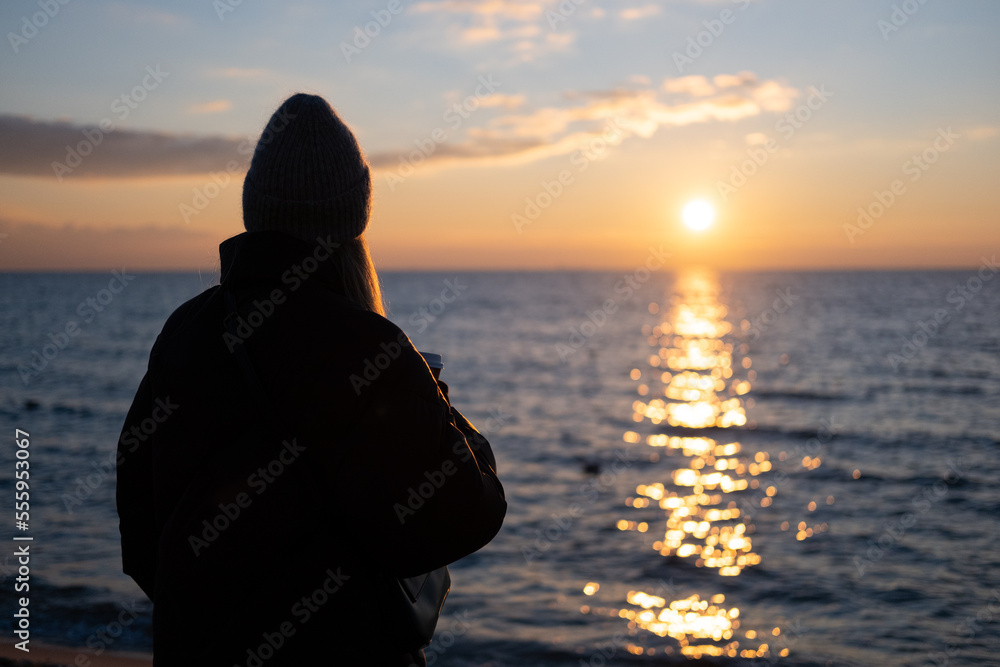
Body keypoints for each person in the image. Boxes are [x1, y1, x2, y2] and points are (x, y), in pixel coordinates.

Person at [116, 93, 506, 666]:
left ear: (256, 207)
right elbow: (461, 515)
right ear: (354, 219)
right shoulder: (369, 351)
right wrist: (438, 402)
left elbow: (142, 534)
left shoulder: (185, 334)